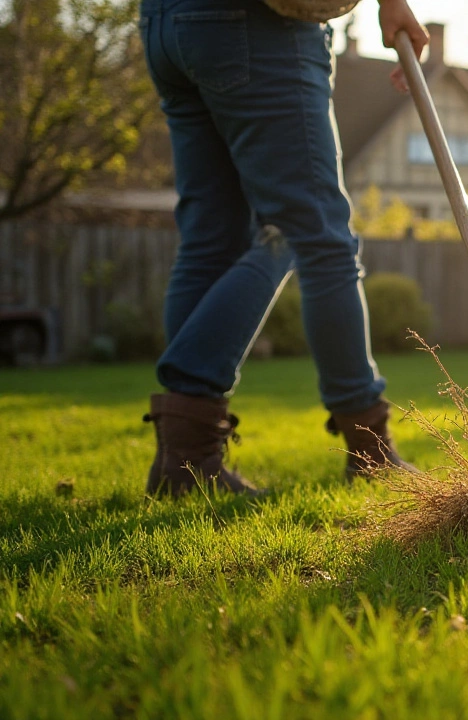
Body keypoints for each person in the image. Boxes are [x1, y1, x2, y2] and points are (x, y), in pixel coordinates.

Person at [136, 0, 431, 496]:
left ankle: (185, 461)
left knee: (211, 241)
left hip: (165, 22)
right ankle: (369, 449)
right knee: (314, 234)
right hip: (258, 23)